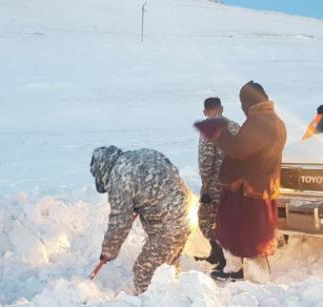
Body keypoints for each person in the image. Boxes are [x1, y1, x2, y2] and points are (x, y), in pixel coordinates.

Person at [197, 81, 287, 281]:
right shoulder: (273, 120)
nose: (242, 107)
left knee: (242, 232)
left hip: (248, 188)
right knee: (238, 230)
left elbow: (238, 149)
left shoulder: (260, 122)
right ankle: (235, 269)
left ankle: (256, 277)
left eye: (243, 103)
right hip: (260, 186)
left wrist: (219, 134)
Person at [90, 146, 190, 293]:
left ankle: (150, 306)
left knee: (144, 270)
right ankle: (173, 300)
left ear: (102, 169)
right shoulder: (141, 155)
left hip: (169, 227)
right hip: (186, 214)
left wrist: (108, 251)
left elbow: (120, 221)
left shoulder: (119, 178)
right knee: (166, 267)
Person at [197, 97, 240, 271]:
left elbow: (206, 161)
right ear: (221, 108)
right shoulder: (236, 127)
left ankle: (220, 258)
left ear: (205, 112)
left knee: (206, 220)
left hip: (216, 184)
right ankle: (227, 258)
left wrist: (206, 188)